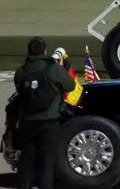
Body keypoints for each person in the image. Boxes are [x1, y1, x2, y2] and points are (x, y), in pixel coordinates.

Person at [13, 37, 76, 189]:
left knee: (26, 163)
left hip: (28, 123)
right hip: (50, 123)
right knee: (47, 166)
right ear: (45, 51)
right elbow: (70, 85)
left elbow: (21, 91)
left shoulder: (21, 71)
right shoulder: (53, 69)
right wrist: (59, 68)